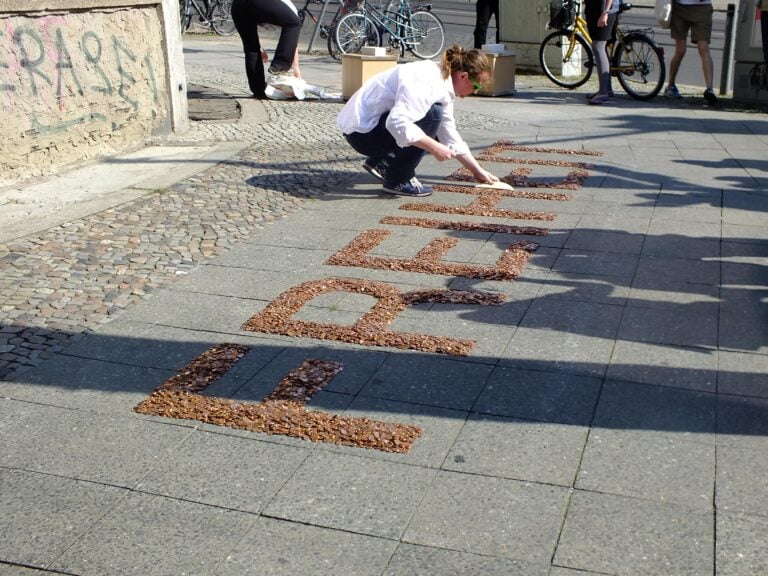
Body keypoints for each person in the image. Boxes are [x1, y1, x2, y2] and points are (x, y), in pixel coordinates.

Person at [337, 45, 500, 197]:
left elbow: (449, 134)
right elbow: (396, 122)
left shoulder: (441, 78)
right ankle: (398, 180)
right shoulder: (427, 81)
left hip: (367, 127)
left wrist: (477, 171)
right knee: (433, 115)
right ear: (463, 76)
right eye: (477, 86)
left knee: (435, 115)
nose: (475, 92)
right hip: (362, 135)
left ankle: (383, 161)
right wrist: (434, 147)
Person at [231, 0, 302, 99]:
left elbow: (289, 41)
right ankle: (279, 68)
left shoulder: (280, 7)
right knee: (294, 24)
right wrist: (296, 68)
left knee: (251, 48)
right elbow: (292, 42)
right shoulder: (291, 10)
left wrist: (259, 48)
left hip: (238, 5)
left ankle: (258, 91)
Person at [664, 0, 717, 104]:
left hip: (702, 7)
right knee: (680, 50)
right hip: (680, 7)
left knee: (703, 47)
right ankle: (670, 85)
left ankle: (709, 89)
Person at [584, 0, 619, 105]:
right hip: (595, 10)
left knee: (598, 46)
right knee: (601, 47)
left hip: (604, 10)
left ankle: (603, 93)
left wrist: (605, 12)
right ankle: (607, 89)